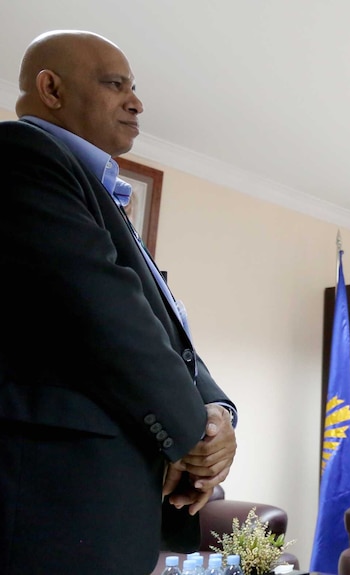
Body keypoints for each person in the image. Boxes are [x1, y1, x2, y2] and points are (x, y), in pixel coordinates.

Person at [0, 31, 237, 575]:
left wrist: (219, 413)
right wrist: (195, 434)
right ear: (50, 88)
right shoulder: (21, 154)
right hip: (53, 497)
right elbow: (105, 315)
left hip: (108, 501)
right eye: (115, 84)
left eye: (134, 87)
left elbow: (164, 326)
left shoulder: (100, 191)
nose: (137, 102)